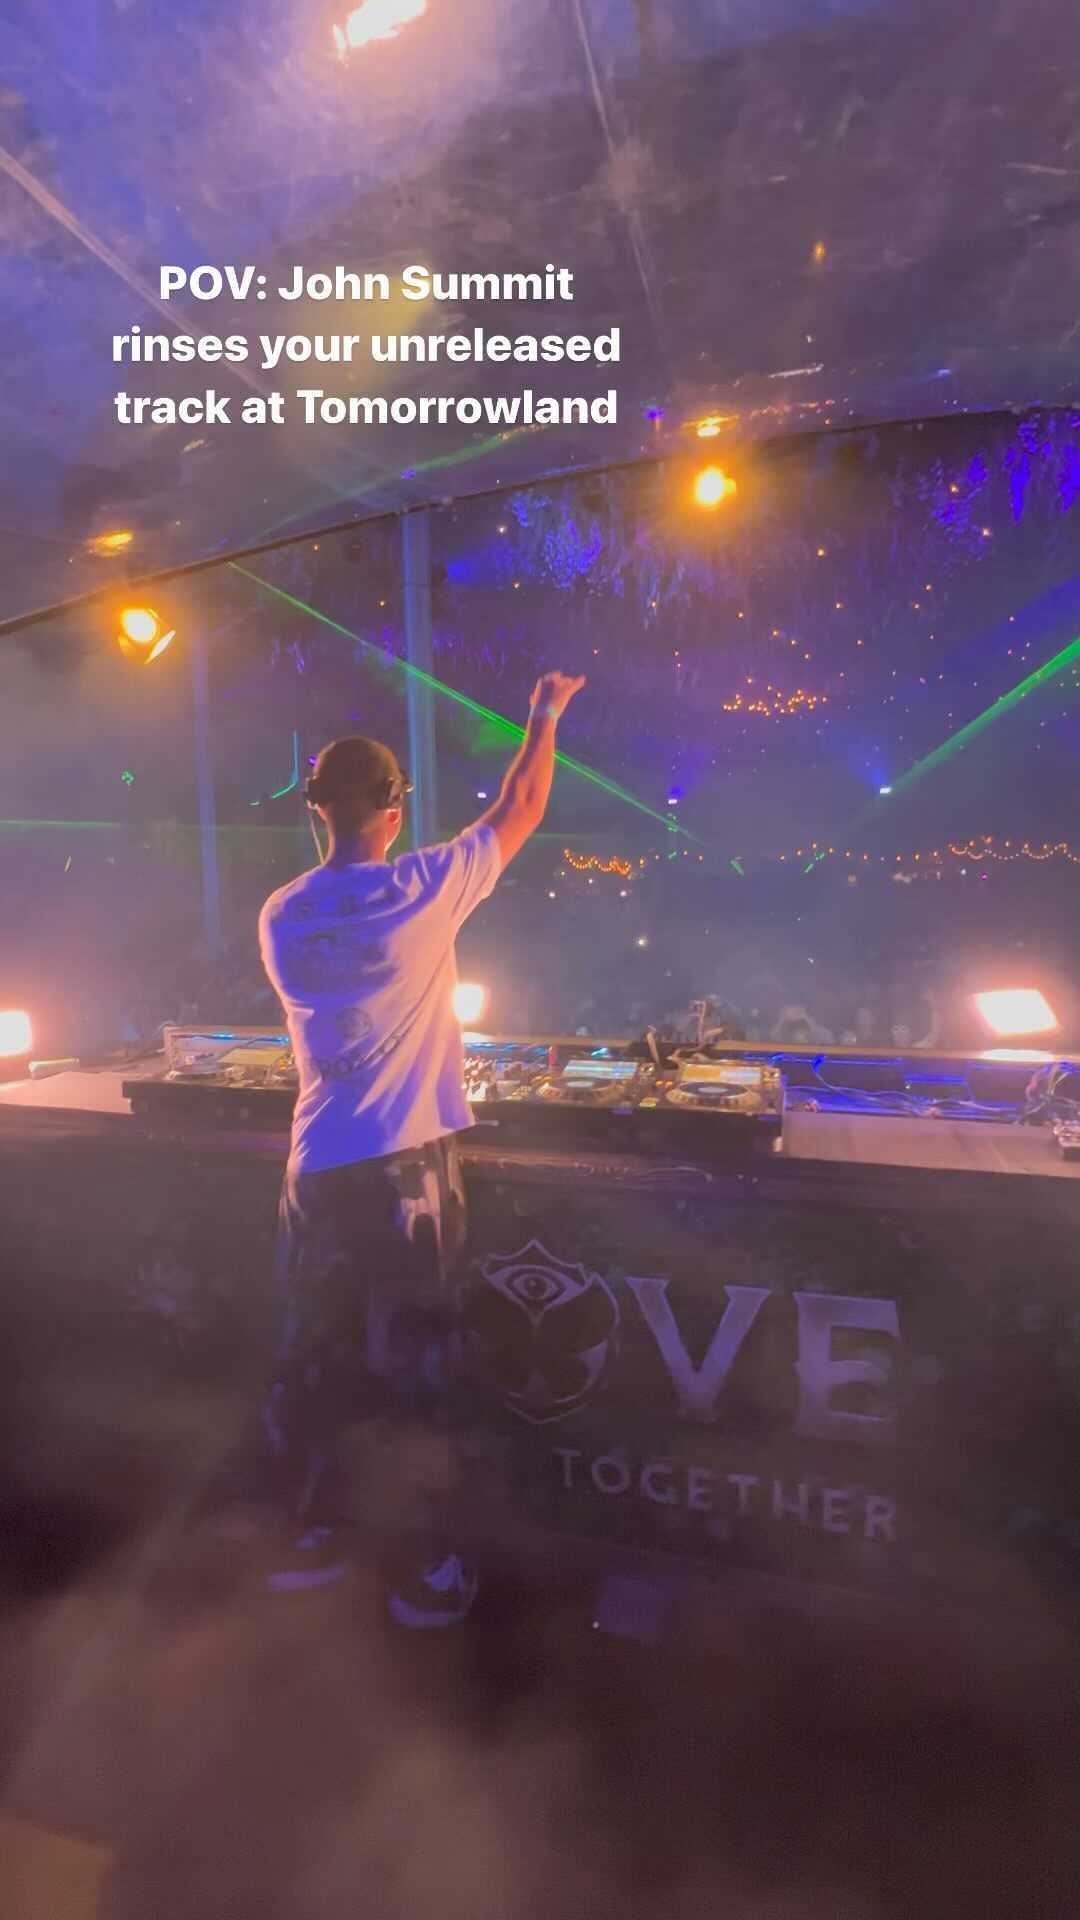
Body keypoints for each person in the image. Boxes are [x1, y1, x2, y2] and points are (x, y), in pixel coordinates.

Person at [258, 671, 586, 1625]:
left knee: (317, 1356)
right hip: (405, 1170)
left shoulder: (281, 913)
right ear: (395, 812)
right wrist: (544, 715)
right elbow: (522, 805)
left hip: (315, 1168)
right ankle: (432, 1567)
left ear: (317, 809)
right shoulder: (425, 887)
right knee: (422, 1369)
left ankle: (316, 1536)